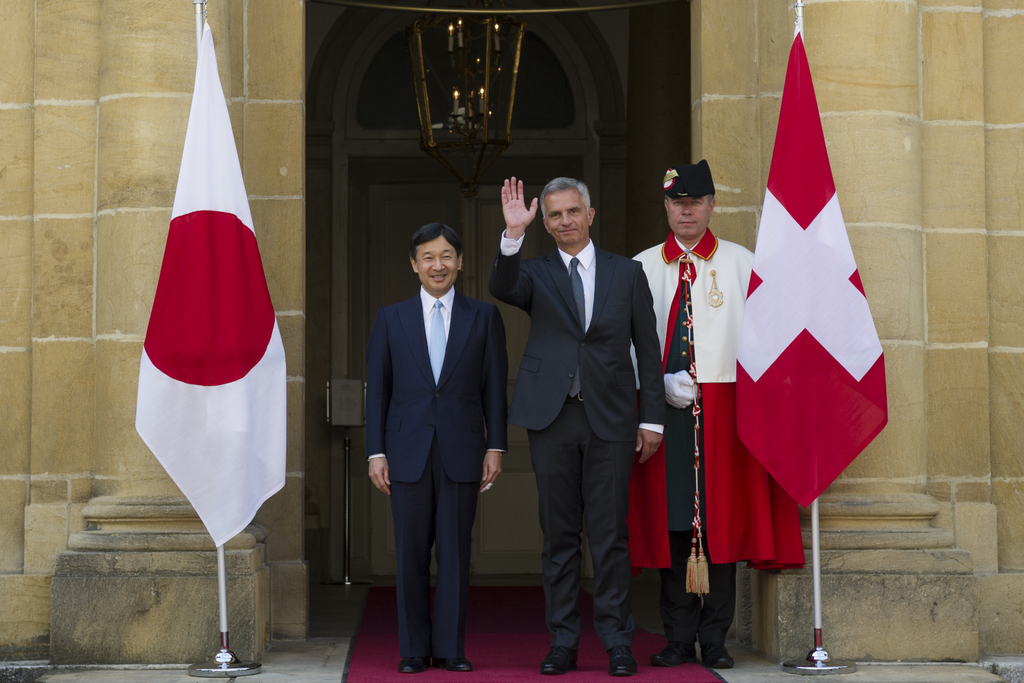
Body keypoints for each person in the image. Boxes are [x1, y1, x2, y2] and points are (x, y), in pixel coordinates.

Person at [629, 161, 805, 670]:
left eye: (696, 201)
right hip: (664, 416)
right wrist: (654, 386)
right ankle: (678, 638)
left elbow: (769, 343)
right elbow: (622, 344)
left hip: (727, 414)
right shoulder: (640, 266)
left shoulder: (742, 264)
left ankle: (716, 639)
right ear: (666, 207)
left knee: (722, 525)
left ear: (711, 205)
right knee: (674, 526)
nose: (687, 210)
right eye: (677, 202)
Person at [488, 177, 664, 677]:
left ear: (590, 214)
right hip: (552, 417)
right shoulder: (534, 273)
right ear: (544, 224)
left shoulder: (626, 273)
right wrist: (512, 236)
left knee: (610, 538)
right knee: (559, 537)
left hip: (611, 418)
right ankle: (563, 642)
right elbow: (501, 286)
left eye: (572, 211)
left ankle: (617, 642)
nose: (564, 221)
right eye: (554, 215)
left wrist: (651, 418)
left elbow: (648, 352)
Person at [365, 223, 508, 674]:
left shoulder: (483, 317)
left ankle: (449, 648)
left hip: (462, 450)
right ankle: (412, 650)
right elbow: (378, 393)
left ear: (460, 262)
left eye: (446, 255)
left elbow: (494, 390)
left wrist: (496, 446)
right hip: (405, 451)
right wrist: (376, 452)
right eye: (428, 257)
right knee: (409, 555)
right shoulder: (390, 318)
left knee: (455, 553)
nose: (438, 265)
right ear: (414, 265)